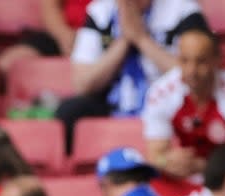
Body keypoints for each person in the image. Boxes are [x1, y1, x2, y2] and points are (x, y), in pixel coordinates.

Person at [56, 0, 208, 153]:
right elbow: (82, 84)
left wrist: (142, 39)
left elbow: (195, 75)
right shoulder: (99, 11)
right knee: (70, 111)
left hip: (167, 99)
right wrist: (124, 39)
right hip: (113, 101)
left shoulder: (183, 10)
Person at [141, 25, 225, 180]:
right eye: (184, 60)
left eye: (201, 61)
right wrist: (166, 161)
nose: (192, 70)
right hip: (184, 176)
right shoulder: (160, 92)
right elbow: (155, 156)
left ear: (217, 60)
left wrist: (200, 166)